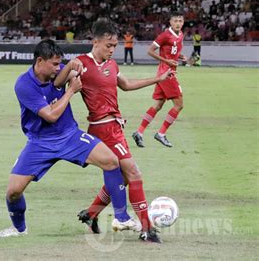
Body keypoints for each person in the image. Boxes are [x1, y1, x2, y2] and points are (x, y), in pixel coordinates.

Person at [0, 39, 140, 238]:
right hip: (40, 143)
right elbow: (51, 116)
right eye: (54, 64)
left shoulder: (59, 71)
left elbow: (78, 71)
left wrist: (75, 66)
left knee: (112, 161)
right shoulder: (24, 84)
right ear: (39, 61)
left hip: (70, 135)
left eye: (59, 63)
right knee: (13, 192)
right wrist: (70, 91)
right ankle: (19, 229)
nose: (57, 68)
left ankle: (121, 217)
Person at [54, 19, 173, 243]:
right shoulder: (81, 63)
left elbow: (126, 85)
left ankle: (90, 214)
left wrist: (157, 78)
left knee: (123, 178)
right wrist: (69, 67)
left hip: (114, 127)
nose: (112, 49)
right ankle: (146, 227)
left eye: (115, 46)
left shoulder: (112, 65)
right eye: (108, 45)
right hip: (102, 128)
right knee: (134, 173)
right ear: (95, 42)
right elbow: (58, 84)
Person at [132, 11, 186, 148]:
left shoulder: (180, 35)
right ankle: (161, 134)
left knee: (158, 105)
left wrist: (179, 56)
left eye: (180, 21)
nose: (178, 23)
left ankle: (139, 132)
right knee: (179, 105)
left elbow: (172, 51)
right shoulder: (165, 35)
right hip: (166, 74)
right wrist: (167, 61)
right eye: (175, 21)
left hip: (164, 73)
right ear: (170, 22)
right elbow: (150, 51)